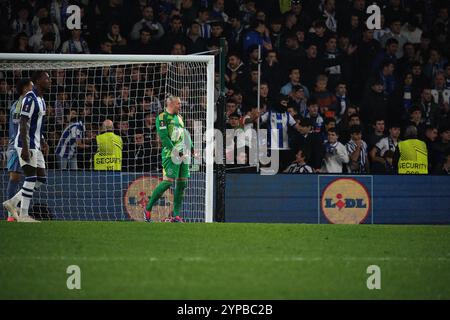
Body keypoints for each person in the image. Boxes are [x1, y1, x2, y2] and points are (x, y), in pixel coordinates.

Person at [3, 71, 51, 223]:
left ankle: (12, 202)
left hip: (35, 144)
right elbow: (23, 123)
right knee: (30, 177)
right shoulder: (29, 99)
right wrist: (24, 147)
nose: (49, 80)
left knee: (41, 178)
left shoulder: (41, 99)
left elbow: (37, 124)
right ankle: (23, 215)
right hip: (26, 144)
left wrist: (42, 141)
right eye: (46, 78)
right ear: (37, 81)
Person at [144, 96, 192, 223]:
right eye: (178, 104)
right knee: (169, 182)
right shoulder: (162, 118)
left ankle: (176, 215)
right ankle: (148, 208)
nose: (180, 106)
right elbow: (164, 138)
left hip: (183, 155)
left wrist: (192, 149)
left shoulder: (180, 117)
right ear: (170, 104)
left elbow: (185, 133)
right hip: (170, 154)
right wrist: (177, 152)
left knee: (182, 184)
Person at [4, 78, 33, 221]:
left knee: (31, 178)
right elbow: (20, 126)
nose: (33, 89)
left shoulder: (28, 103)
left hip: (27, 144)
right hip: (17, 145)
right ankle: (11, 214)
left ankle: (21, 212)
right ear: (24, 89)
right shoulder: (18, 105)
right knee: (15, 177)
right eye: (31, 86)